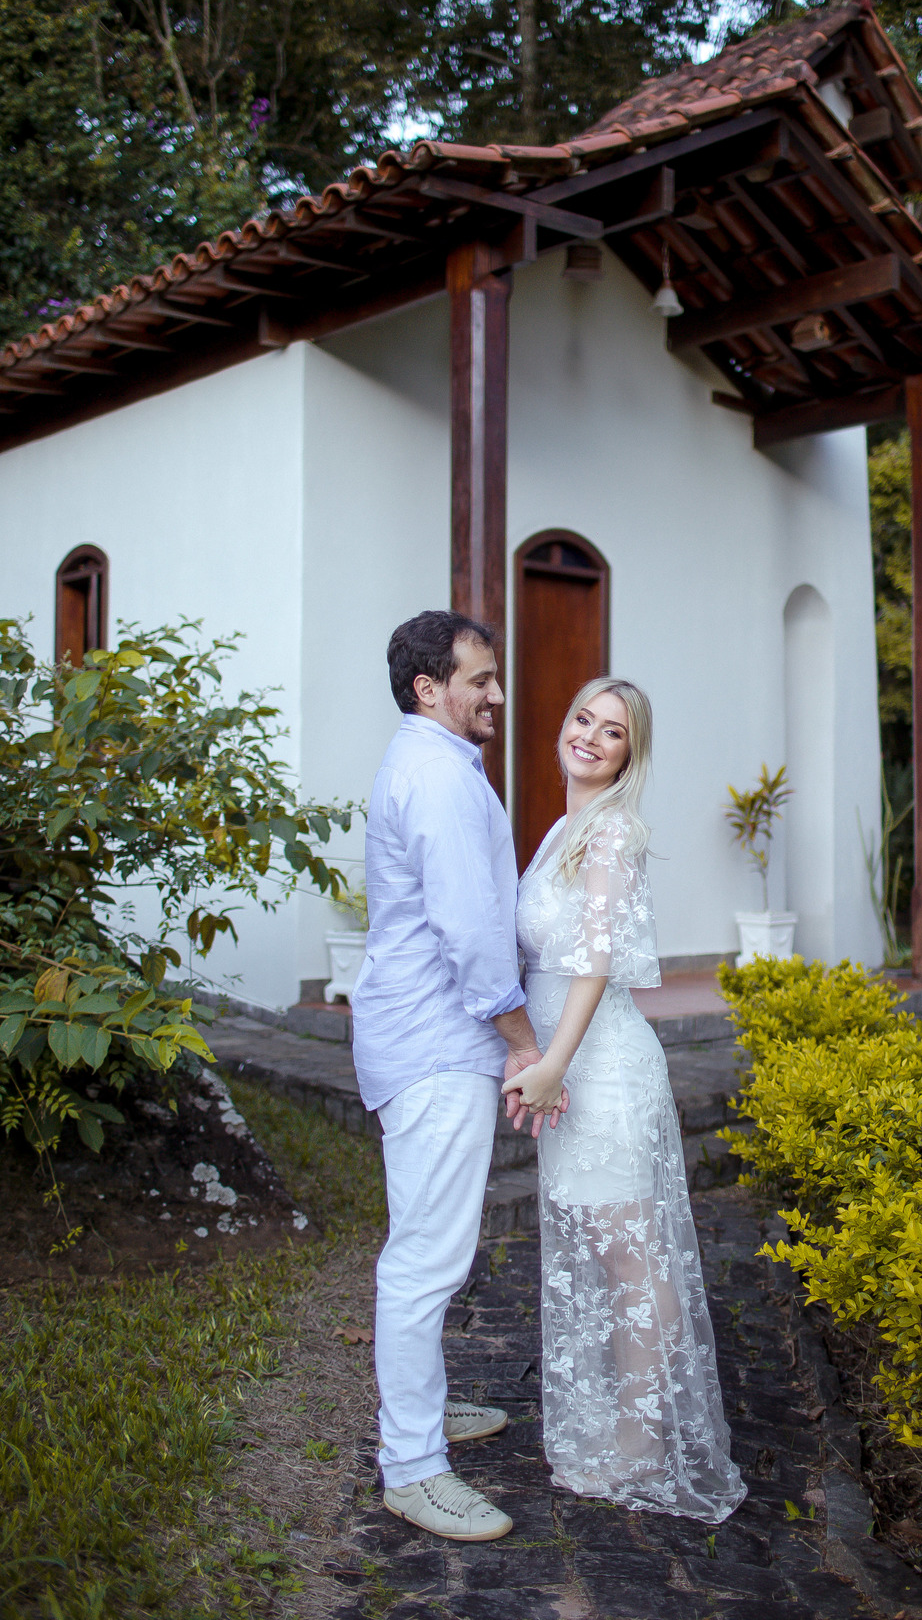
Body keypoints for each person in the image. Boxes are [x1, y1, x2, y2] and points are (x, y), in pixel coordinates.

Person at [502, 678, 746, 1520]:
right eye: (582, 719)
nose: (591, 738)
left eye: (613, 732)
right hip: (570, 1065)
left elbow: (593, 964)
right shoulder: (563, 831)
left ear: (629, 754)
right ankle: (623, 1420)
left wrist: (554, 1065)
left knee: (631, 1254)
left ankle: (646, 1440)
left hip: (601, 1070)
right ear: (563, 726)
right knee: (610, 1247)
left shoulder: (612, 835)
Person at [352, 609, 564, 1544]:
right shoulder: (435, 776)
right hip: (435, 1045)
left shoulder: (439, 766)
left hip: (434, 1041)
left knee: (434, 1246)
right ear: (428, 688)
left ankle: (424, 1417)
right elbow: (472, 935)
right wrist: (524, 1043)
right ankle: (412, 1467)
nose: (497, 696)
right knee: (427, 1257)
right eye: (480, 680)